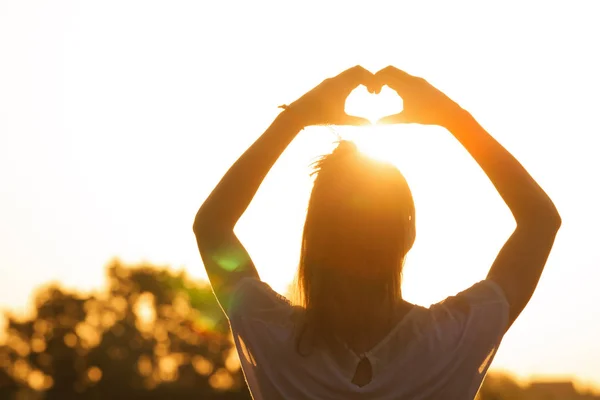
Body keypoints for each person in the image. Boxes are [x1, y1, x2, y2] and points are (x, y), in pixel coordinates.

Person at [193, 66, 561, 399]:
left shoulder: (274, 337)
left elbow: (212, 227)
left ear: (315, 238)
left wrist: (297, 118)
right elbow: (540, 221)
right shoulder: (449, 343)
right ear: (409, 233)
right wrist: (453, 118)